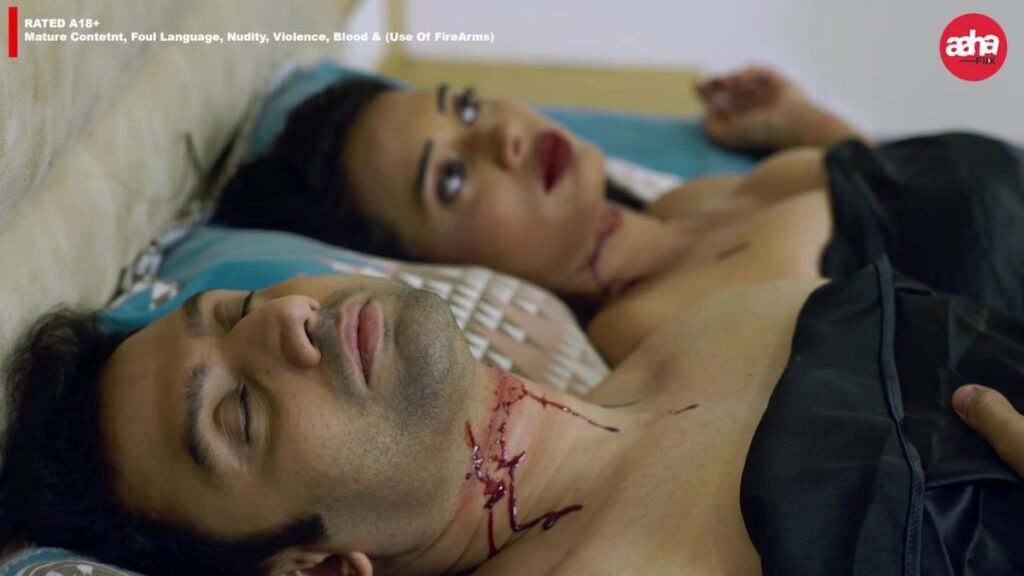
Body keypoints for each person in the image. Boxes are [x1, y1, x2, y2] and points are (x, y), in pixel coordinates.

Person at [3, 259, 1023, 576]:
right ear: (316, 569)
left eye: (232, 309)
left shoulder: (713, 321)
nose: (283, 321)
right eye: (235, 414)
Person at [212, 66, 1024, 364]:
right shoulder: (650, 332)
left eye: (467, 107)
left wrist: (809, 126)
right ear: (436, 268)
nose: (502, 135)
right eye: (450, 180)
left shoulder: (686, 202)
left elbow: (905, 208)